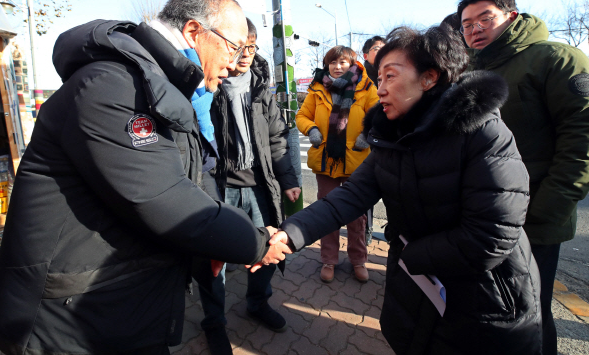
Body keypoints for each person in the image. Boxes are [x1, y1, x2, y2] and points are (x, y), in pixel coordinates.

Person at [0, 0, 289, 355]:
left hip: (118, 299)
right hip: (69, 318)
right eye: (234, 46)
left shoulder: (164, 88)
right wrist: (257, 243)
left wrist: (216, 241)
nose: (237, 60)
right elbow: (165, 201)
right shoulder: (116, 85)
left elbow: (196, 176)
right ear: (194, 32)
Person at [270, 25, 543, 355]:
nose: (380, 89)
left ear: (429, 78)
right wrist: (289, 234)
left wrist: (409, 255)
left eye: (390, 76)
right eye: (378, 78)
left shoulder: (483, 132)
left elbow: (491, 236)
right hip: (420, 287)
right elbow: (350, 195)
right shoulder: (392, 136)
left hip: (486, 296)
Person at [457, 0, 589, 355]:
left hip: (534, 217)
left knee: (530, 311)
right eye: (467, 24)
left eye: (486, 18)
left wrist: (548, 207)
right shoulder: (470, 69)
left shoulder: (556, 57)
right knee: (493, 306)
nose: (475, 29)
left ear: (512, 17)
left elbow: (581, 141)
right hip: (482, 216)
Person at [193, 18, 301, 354]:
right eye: (240, 47)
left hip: (259, 187)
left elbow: (277, 137)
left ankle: (257, 303)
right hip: (218, 188)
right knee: (215, 260)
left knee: (266, 250)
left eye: (251, 47)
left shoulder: (260, 88)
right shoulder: (206, 85)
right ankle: (214, 323)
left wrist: (289, 179)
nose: (245, 54)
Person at [295, 46, 378, 283]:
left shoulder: (366, 86)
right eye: (332, 62)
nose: (337, 66)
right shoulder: (318, 87)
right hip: (326, 161)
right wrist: (310, 129)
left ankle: (358, 260)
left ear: (352, 64)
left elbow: (379, 115)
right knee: (326, 213)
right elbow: (302, 115)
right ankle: (329, 260)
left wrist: (367, 134)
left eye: (342, 62)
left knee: (356, 216)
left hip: (356, 161)